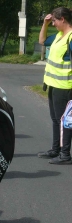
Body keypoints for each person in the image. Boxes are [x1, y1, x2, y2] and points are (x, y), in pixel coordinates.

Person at [38, 7, 72, 164]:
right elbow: (42, 41)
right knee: (55, 119)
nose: (53, 24)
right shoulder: (60, 36)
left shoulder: (70, 38)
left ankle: (65, 155)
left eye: (54, 21)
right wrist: (44, 24)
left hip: (65, 87)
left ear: (63, 19)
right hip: (53, 85)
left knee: (64, 120)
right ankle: (55, 149)